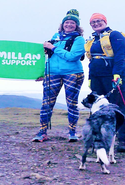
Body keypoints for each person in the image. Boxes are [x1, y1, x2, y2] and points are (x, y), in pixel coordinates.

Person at [32, 10, 86, 143]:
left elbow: (72, 57)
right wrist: (42, 73)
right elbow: (47, 57)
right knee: (46, 103)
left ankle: (72, 132)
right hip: (52, 73)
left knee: (71, 104)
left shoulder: (79, 39)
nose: (69, 25)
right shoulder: (55, 37)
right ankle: (42, 132)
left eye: (72, 23)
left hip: (73, 73)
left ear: (76, 26)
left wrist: (53, 48)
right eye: (66, 22)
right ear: (62, 24)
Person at [86, 12, 125, 152]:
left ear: (105, 21)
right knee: (98, 108)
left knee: (117, 107)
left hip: (113, 76)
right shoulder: (92, 39)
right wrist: (90, 78)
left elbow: (120, 56)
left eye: (99, 21)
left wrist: (117, 74)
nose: (96, 24)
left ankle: (124, 139)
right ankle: (98, 138)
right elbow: (92, 60)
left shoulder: (115, 35)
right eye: (93, 22)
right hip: (96, 77)